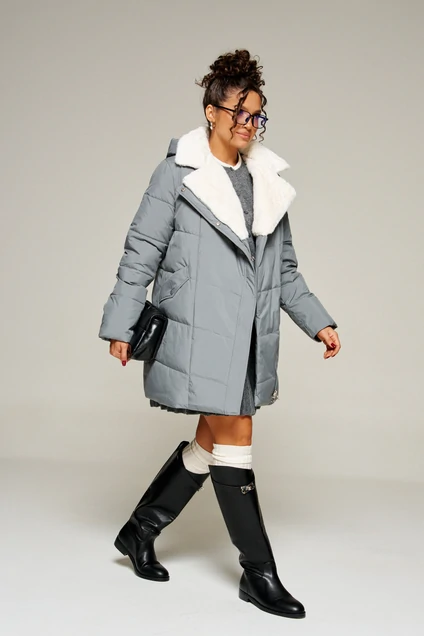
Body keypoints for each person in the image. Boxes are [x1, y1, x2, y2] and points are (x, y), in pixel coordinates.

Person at [98, 49, 341, 619]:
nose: (249, 125)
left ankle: (139, 531)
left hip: (248, 338)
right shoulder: (177, 173)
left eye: (258, 115)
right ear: (211, 112)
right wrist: (121, 323)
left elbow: (283, 270)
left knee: (212, 440)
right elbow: (142, 250)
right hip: (199, 332)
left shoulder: (267, 183)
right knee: (236, 437)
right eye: (239, 113)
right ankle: (259, 573)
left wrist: (319, 320)